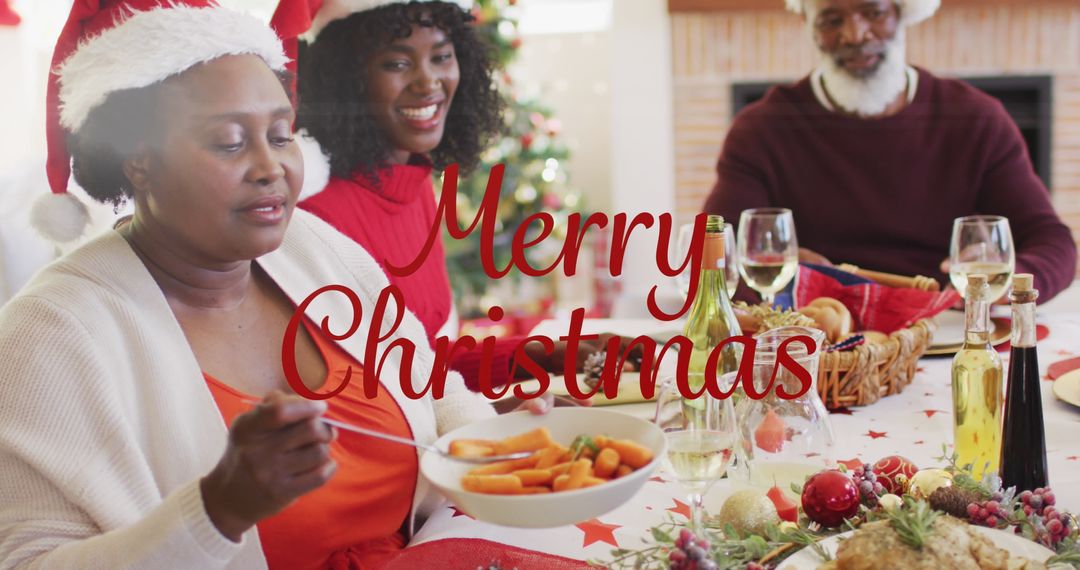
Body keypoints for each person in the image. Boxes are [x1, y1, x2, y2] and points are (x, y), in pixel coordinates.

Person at [0, 2, 545, 568]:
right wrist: (217, 510)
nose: (271, 167)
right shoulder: (52, 332)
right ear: (138, 160)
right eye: (230, 142)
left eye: (281, 135)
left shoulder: (314, 246)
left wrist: (492, 441)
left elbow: (430, 387)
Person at [295, 0, 637, 391]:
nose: (428, 82)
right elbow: (371, 391)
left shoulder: (416, 186)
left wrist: (553, 353)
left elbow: (428, 363)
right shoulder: (320, 219)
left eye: (441, 57)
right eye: (398, 63)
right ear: (347, 78)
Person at [703, 0, 1077, 303]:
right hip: (821, 336)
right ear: (808, 24)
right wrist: (783, 285)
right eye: (831, 20)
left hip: (944, 328)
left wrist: (1004, 281)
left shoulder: (977, 118)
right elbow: (711, 257)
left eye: (873, 12)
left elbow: (1053, 243)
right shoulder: (761, 128)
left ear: (902, 12)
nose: (854, 34)